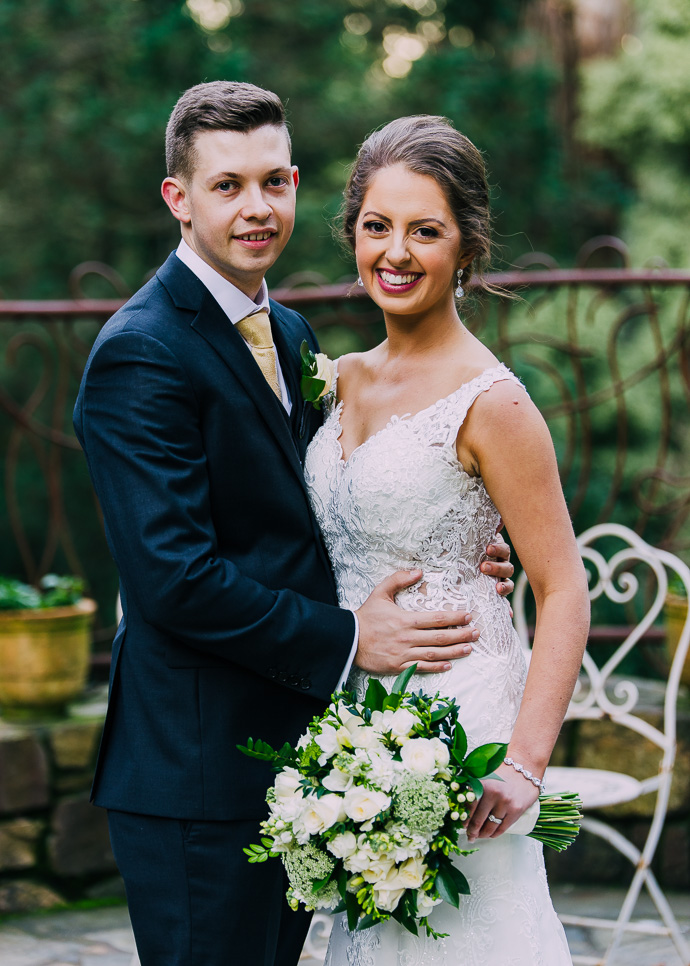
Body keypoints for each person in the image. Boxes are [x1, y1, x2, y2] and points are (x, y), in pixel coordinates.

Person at [73, 83, 516, 966]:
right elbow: (174, 581)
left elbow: (321, 512)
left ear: (296, 184)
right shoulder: (140, 352)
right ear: (179, 198)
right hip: (195, 772)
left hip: (297, 761)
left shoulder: (294, 334)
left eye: (273, 182)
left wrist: (448, 545)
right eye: (226, 186)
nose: (255, 209)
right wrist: (354, 637)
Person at [303, 115, 590, 965]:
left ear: (466, 247)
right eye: (377, 226)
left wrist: (524, 766)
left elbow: (566, 586)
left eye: (425, 230)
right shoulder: (339, 378)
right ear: (353, 230)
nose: (396, 252)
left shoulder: (493, 402)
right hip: (354, 718)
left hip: (461, 718)